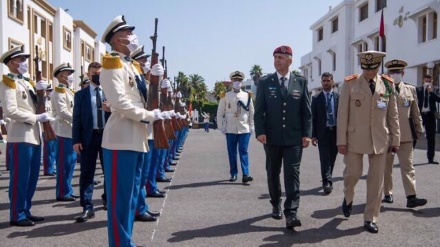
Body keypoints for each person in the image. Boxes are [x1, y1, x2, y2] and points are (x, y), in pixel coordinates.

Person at [100, 15, 162, 247]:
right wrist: (149, 116)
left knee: (130, 197)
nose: (132, 37)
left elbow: (144, 96)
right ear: (117, 40)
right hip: (120, 139)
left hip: (136, 139)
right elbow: (119, 103)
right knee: (119, 199)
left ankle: (125, 241)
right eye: (127, 33)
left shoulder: (130, 65)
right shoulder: (111, 64)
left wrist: (155, 75)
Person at [337, 50, 400, 233]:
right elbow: (342, 115)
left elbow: (393, 115)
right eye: (366, 68)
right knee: (353, 173)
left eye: (372, 69)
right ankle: (348, 197)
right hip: (354, 138)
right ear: (362, 66)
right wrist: (341, 140)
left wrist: (395, 139)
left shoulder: (388, 85)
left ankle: (371, 217)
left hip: (380, 139)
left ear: (378, 66)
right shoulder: (350, 84)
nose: (369, 72)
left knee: (376, 181)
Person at [254, 45, 312, 229]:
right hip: (271, 138)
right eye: (275, 57)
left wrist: (307, 134)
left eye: (280, 57)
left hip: (294, 138)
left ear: (290, 60)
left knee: (292, 174)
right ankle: (275, 203)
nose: (276, 60)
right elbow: (259, 110)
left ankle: (291, 212)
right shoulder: (265, 82)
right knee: (273, 172)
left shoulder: (300, 82)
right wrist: (260, 131)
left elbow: (306, 111)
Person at [0, 45, 52, 226]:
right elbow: (10, 111)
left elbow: (37, 105)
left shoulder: (25, 82)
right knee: (20, 178)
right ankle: (17, 215)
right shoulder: (8, 82)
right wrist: (35, 117)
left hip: (34, 136)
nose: (24, 63)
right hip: (20, 136)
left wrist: (41, 92)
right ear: (11, 62)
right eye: (21, 60)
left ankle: (25, 209)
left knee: (31, 178)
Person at [382, 59, 427, 208]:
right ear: (388, 73)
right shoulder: (381, 89)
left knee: (408, 167)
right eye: (392, 72)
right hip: (387, 135)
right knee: (386, 167)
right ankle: (388, 193)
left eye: (398, 72)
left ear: (403, 73)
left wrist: (419, 128)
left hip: (406, 135)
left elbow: (415, 111)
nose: (395, 74)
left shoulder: (410, 89)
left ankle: (411, 197)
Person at [72, 62, 110, 222]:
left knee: (109, 170)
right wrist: (76, 140)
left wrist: (112, 108)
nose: (97, 76)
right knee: (87, 173)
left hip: (108, 136)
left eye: (100, 73)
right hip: (89, 137)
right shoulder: (81, 95)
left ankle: (107, 198)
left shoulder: (109, 93)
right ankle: (87, 207)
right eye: (94, 73)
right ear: (88, 75)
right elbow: (77, 118)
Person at [217, 70, 254, 183]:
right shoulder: (226, 95)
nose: (237, 82)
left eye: (239, 80)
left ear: (242, 82)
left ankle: (245, 174)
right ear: (231, 81)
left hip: (244, 128)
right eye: (235, 80)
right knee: (232, 152)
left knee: (244, 151)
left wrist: (252, 125)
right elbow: (220, 112)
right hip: (231, 128)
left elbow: (251, 112)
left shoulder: (247, 95)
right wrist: (221, 126)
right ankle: (233, 174)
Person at [51, 63, 78, 202]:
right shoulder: (59, 92)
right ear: (61, 76)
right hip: (63, 131)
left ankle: (68, 189)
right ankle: (62, 192)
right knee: (64, 163)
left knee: (71, 162)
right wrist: (78, 119)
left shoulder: (69, 91)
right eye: (68, 74)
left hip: (70, 131)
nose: (70, 77)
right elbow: (63, 112)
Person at [311, 72, 339, 194]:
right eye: (324, 81)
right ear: (321, 82)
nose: (326, 83)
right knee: (325, 158)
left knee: (332, 158)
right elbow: (313, 118)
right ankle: (327, 182)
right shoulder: (316, 98)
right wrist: (313, 135)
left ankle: (328, 177)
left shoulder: (339, 97)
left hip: (336, 132)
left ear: (332, 82)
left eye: (328, 81)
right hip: (323, 133)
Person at [417, 74, 440, 164]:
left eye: (430, 81)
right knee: (415, 135)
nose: (428, 83)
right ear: (423, 80)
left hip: (430, 115)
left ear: (432, 81)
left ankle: (431, 158)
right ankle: (408, 158)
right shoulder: (418, 89)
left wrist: (431, 92)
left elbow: (439, 99)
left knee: (431, 137)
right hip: (420, 115)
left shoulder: (436, 89)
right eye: (426, 81)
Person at [43, 85, 56, 176]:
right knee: (48, 149)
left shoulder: (52, 100)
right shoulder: (43, 101)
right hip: (46, 127)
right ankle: (48, 169)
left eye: (51, 90)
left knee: (53, 149)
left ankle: (52, 167)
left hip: (53, 126)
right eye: (48, 90)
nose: (50, 92)